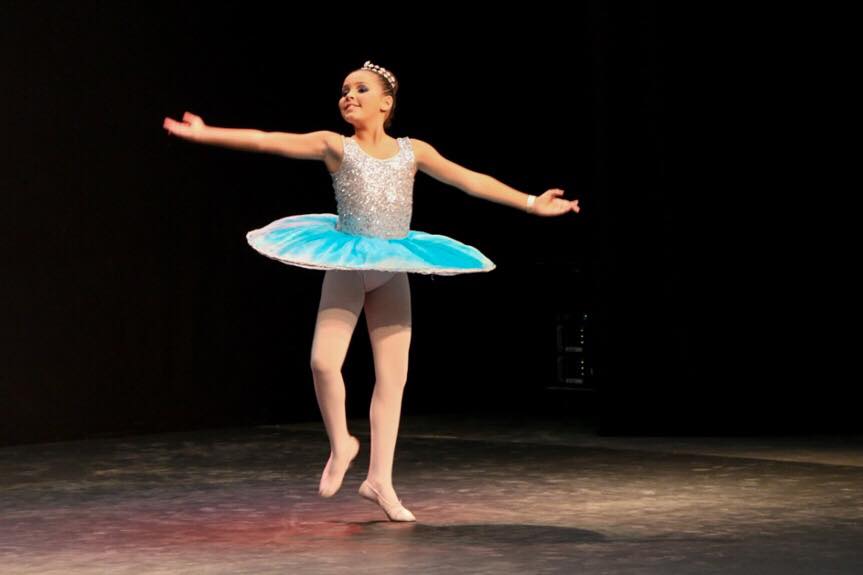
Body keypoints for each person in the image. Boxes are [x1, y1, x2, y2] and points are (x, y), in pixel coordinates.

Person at [163, 60, 580, 522]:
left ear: (386, 103)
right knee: (323, 360)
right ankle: (341, 442)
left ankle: (380, 479)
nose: (349, 95)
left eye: (360, 88)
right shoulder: (334, 146)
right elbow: (267, 140)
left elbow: (468, 180)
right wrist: (207, 134)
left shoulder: (412, 151)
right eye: (343, 90)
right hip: (348, 261)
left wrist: (530, 203)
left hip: (394, 264)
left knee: (393, 378)